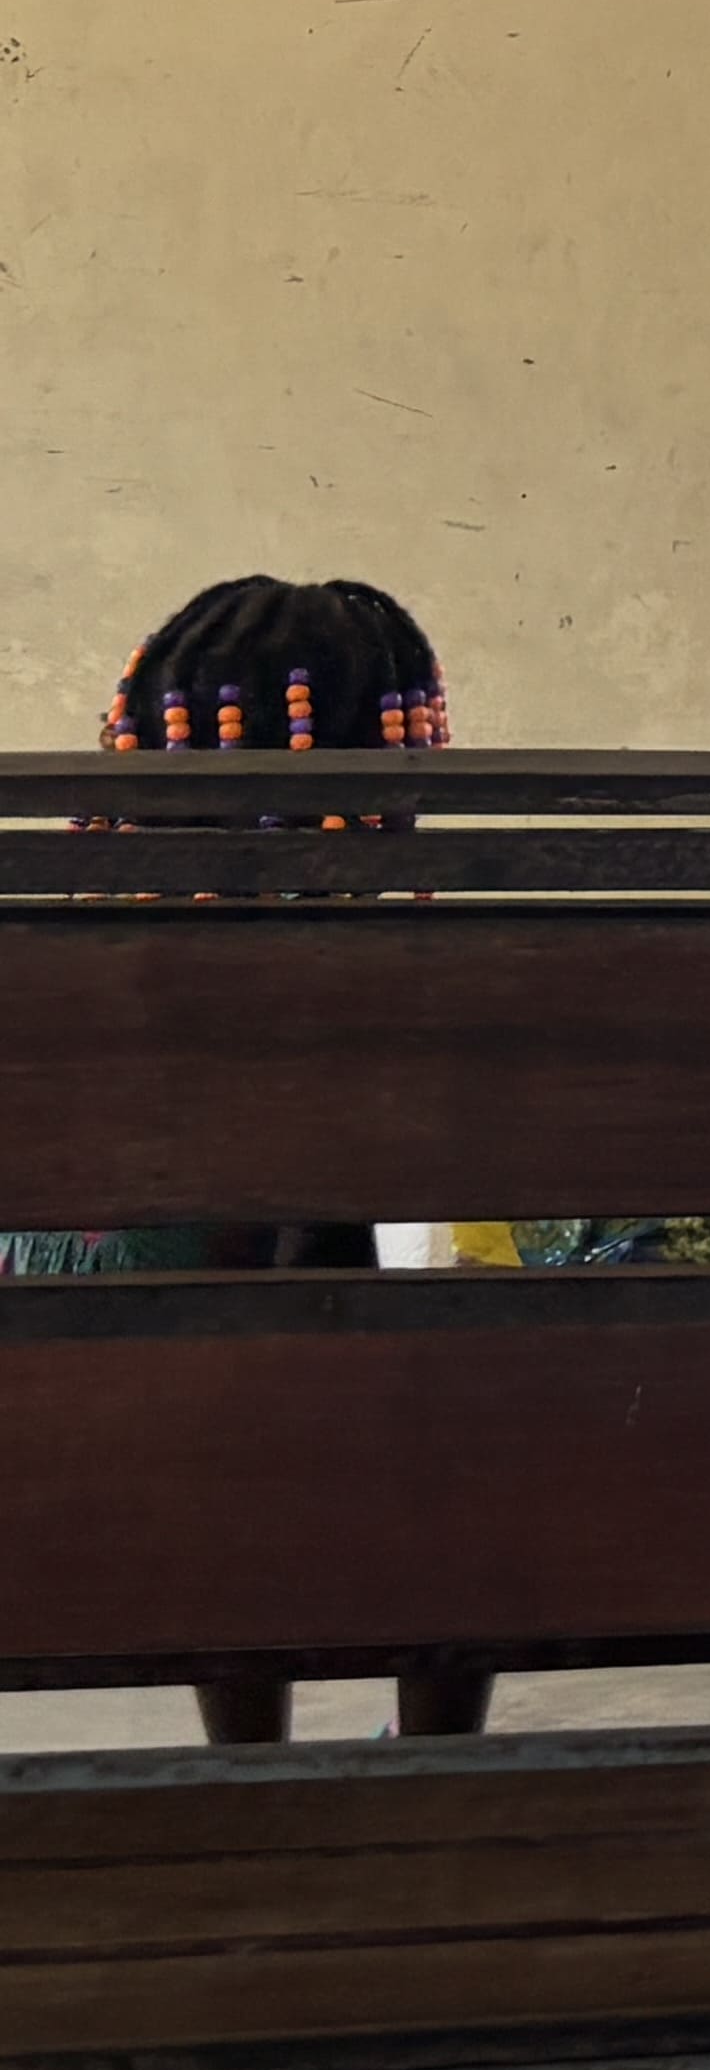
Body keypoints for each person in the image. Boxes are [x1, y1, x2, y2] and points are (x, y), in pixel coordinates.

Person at [14, 576, 493, 1754]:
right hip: (403, 1434)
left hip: (94, 1434)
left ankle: (244, 1752)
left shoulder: (75, 969)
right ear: (401, 746)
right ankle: (436, 1752)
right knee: (467, 1386)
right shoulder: (444, 977)